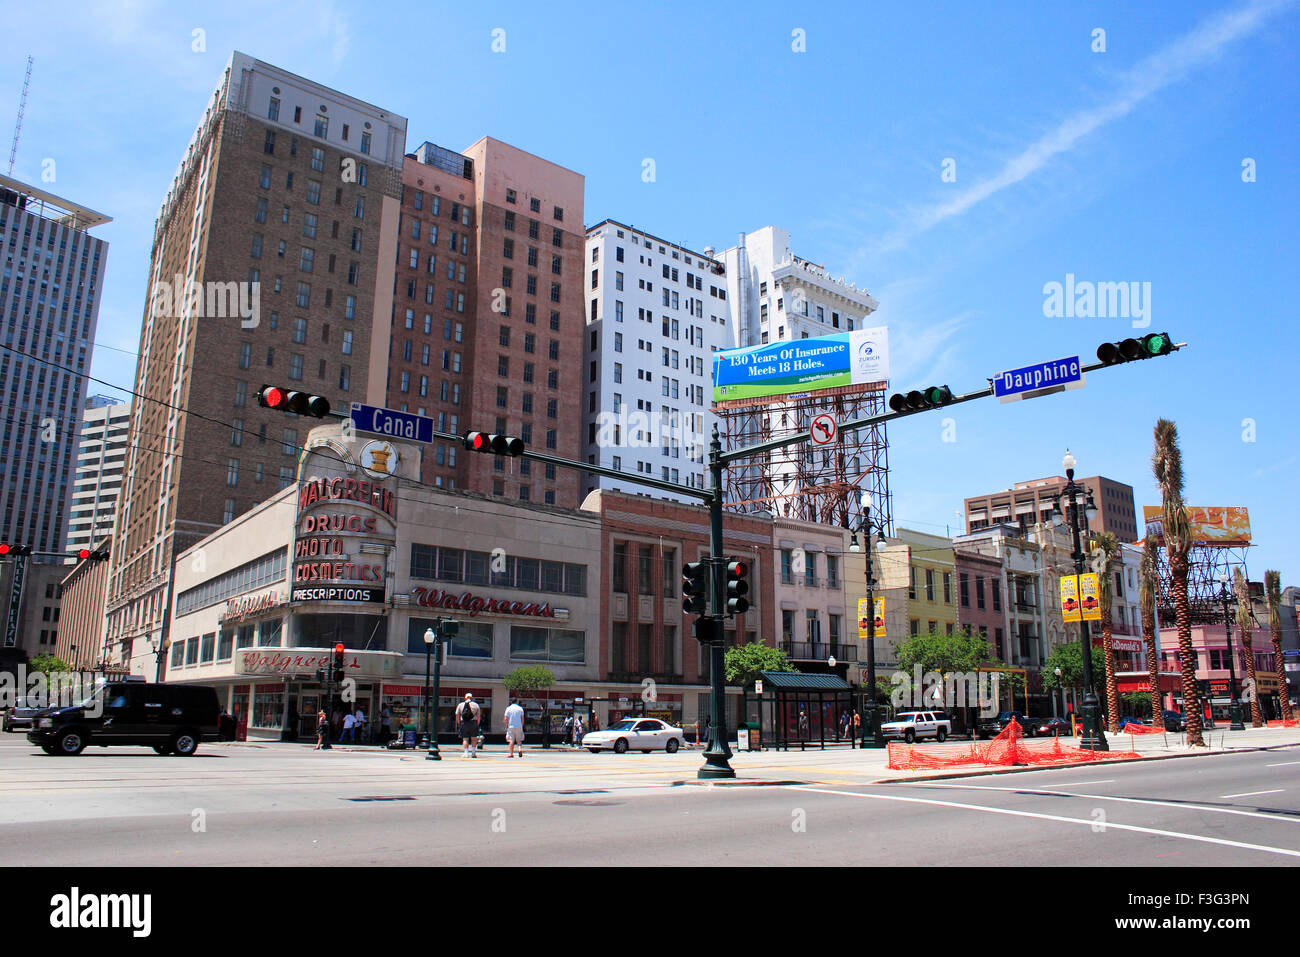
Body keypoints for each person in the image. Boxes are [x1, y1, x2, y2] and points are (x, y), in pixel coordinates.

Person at [456, 693, 481, 757]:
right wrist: (477, 723)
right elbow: (478, 716)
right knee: (474, 738)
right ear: (472, 698)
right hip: (473, 722)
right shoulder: (476, 705)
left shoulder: (460, 705)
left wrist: (459, 723)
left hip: (464, 722)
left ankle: (466, 752)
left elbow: (457, 715)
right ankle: (473, 752)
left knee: (465, 739)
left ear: (465, 698)